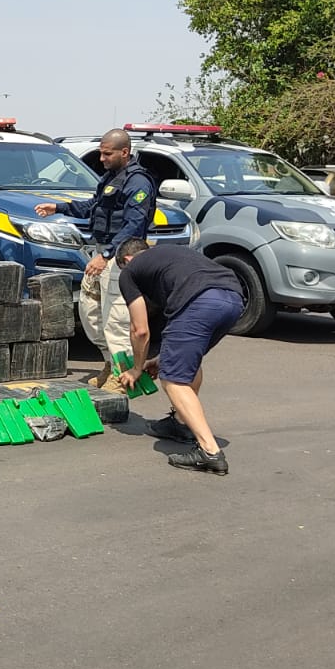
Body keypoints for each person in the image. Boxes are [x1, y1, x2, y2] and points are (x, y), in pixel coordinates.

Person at [34, 128, 157, 393]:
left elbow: (134, 225)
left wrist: (106, 254)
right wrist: (59, 207)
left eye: (107, 153)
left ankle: (124, 376)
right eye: (101, 153)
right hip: (101, 251)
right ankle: (111, 363)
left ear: (124, 152)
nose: (101, 158)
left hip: (121, 257)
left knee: (116, 318)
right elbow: (93, 207)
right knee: (90, 312)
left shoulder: (138, 183)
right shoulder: (111, 178)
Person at [112, 237, 244, 476]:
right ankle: (182, 425)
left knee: (173, 379)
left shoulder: (129, 272)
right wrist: (162, 358)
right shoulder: (170, 254)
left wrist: (137, 368)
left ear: (127, 260)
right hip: (233, 298)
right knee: (187, 364)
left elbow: (139, 329)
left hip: (198, 301)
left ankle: (209, 451)